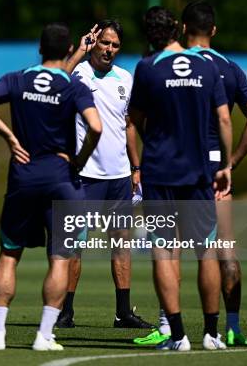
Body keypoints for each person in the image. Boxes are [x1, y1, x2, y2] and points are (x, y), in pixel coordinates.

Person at [0, 22, 102, 351]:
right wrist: (79, 158)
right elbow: (96, 127)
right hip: (61, 177)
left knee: (9, 254)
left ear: (40, 48)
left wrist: (10, 137)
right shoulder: (73, 85)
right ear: (68, 48)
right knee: (60, 258)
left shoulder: (17, 78)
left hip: (24, 175)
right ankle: (44, 335)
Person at [128, 6, 232, 351]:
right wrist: (226, 165)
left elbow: (133, 122)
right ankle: (212, 333)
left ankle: (177, 336)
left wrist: (149, 148)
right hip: (198, 171)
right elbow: (224, 120)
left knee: (163, 249)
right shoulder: (207, 65)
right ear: (179, 29)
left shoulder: (146, 68)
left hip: (160, 171)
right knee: (206, 250)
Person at [55, 20, 153, 330]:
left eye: (114, 45)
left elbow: (129, 126)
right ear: (95, 43)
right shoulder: (78, 73)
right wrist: (80, 50)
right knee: (75, 244)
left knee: (121, 244)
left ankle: (123, 312)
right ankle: (65, 311)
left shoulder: (126, 78)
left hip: (120, 176)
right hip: (85, 175)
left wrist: (137, 168)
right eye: (104, 43)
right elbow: (56, 80)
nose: (109, 49)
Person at [182, 0, 247, 346]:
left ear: (184, 28)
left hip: (178, 167)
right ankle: (232, 327)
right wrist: (231, 164)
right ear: (213, 30)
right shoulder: (229, 68)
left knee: (168, 252)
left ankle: (169, 326)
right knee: (224, 249)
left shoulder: (172, 65)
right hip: (216, 169)